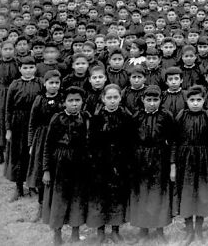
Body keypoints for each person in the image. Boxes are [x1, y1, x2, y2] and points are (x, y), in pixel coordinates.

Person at [42, 86, 90, 246]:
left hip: (79, 162)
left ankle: (75, 233)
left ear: (83, 102)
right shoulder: (57, 118)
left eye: (78, 101)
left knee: (77, 197)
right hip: (60, 163)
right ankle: (57, 234)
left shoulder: (85, 117)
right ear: (64, 103)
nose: (74, 104)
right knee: (59, 198)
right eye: (71, 101)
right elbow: (48, 145)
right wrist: (46, 170)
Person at [86, 83, 134, 243]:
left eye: (115, 97)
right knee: (100, 197)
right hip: (100, 164)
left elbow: (130, 142)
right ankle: (100, 231)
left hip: (120, 164)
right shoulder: (96, 118)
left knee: (117, 197)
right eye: (109, 98)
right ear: (103, 98)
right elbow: (91, 142)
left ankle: (115, 230)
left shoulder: (126, 117)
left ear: (120, 98)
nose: (112, 101)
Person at [128, 85, 174, 242]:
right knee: (142, 193)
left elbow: (172, 140)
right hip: (140, 159)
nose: (152, 103)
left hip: (160, 157)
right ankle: (143, 230)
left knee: (159, 193)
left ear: (161, 100)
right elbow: (131, 140)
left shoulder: (166, 116)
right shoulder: (136, 117)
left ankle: (160, 229)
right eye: (149, 100)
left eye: (156, 100)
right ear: (143, 100)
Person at [172, 85, 208, 245]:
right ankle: (189, 230)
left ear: (204, 100)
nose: (195, 103)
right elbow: (174, 142)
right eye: (192, 100)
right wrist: (174, 163)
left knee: (202, 194)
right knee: (187, 193)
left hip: (202, 159)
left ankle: (199, 230)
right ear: (187, 101)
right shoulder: (181, 116)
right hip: (185, 159)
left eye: (199, 100)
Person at [27, 70, 64, 221]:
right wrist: (31, 143)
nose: (54, 86)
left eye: (57, 83)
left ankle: (56, 206)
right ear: (45, 83)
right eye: (51, 83)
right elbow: (32, 123)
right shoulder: (39, 100)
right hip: (41, 138)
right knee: (43, 172)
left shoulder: (62, 100)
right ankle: (41, 206)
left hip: (59, 139)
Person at [4, 55, 42, 200]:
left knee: (31, 154)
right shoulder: (15, 84)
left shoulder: (40, 83)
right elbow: (8, 108)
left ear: (35, 68)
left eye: (31, 68)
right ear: (20, 69)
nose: (28, 71)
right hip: (18, 122)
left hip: (35, 123)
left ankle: (31, 185)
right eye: (25, 68)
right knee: (18, 154)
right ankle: (18, 187)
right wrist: (8, 129)